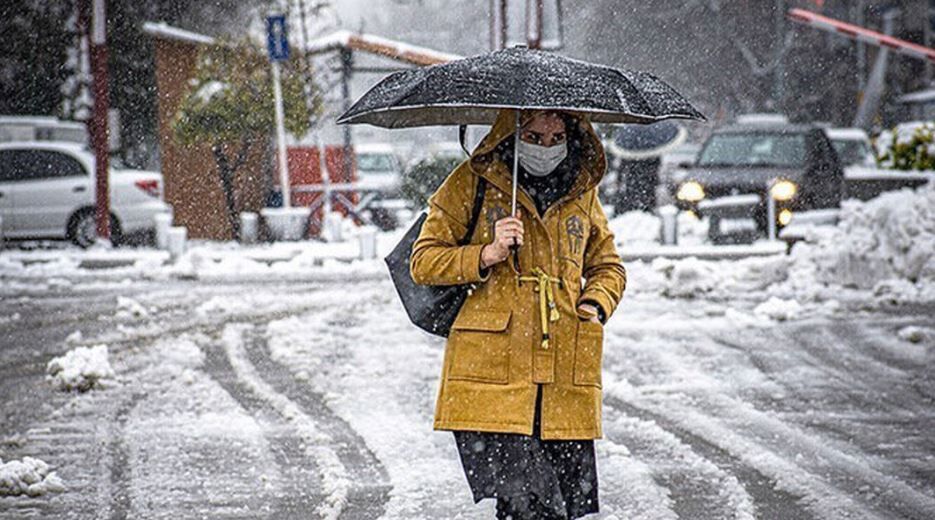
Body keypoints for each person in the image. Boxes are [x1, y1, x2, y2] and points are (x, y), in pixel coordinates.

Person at [410, 108, 627, 519]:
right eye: (533, 136)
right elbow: (423, 261)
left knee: (556, 507)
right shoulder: (472, 182)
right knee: (530, 504)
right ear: (509, 135)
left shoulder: (581, 190)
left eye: (555, 138)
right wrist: (486, 253)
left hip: (564, 376)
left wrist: (594, 304)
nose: (545, 148)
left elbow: (608, 267)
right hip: (494, 379)